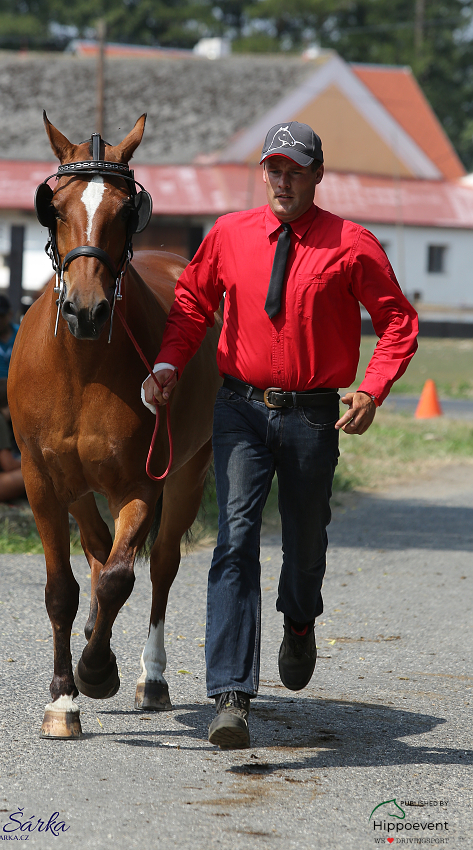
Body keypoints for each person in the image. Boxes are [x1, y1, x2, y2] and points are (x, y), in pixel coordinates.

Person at [143, 121, 419, 750]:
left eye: (296, 169)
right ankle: (231, 696)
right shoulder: (230, 234)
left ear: (318, 175)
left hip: (313, 415)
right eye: (274, 168)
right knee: (235, 538)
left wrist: (372, 389)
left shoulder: (351, 245)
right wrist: (168, 364)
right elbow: (190, 301)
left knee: (304, 539)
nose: (283, 180)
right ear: (262, 172)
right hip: (239, 406)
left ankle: (299, 622)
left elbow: (397, 320)